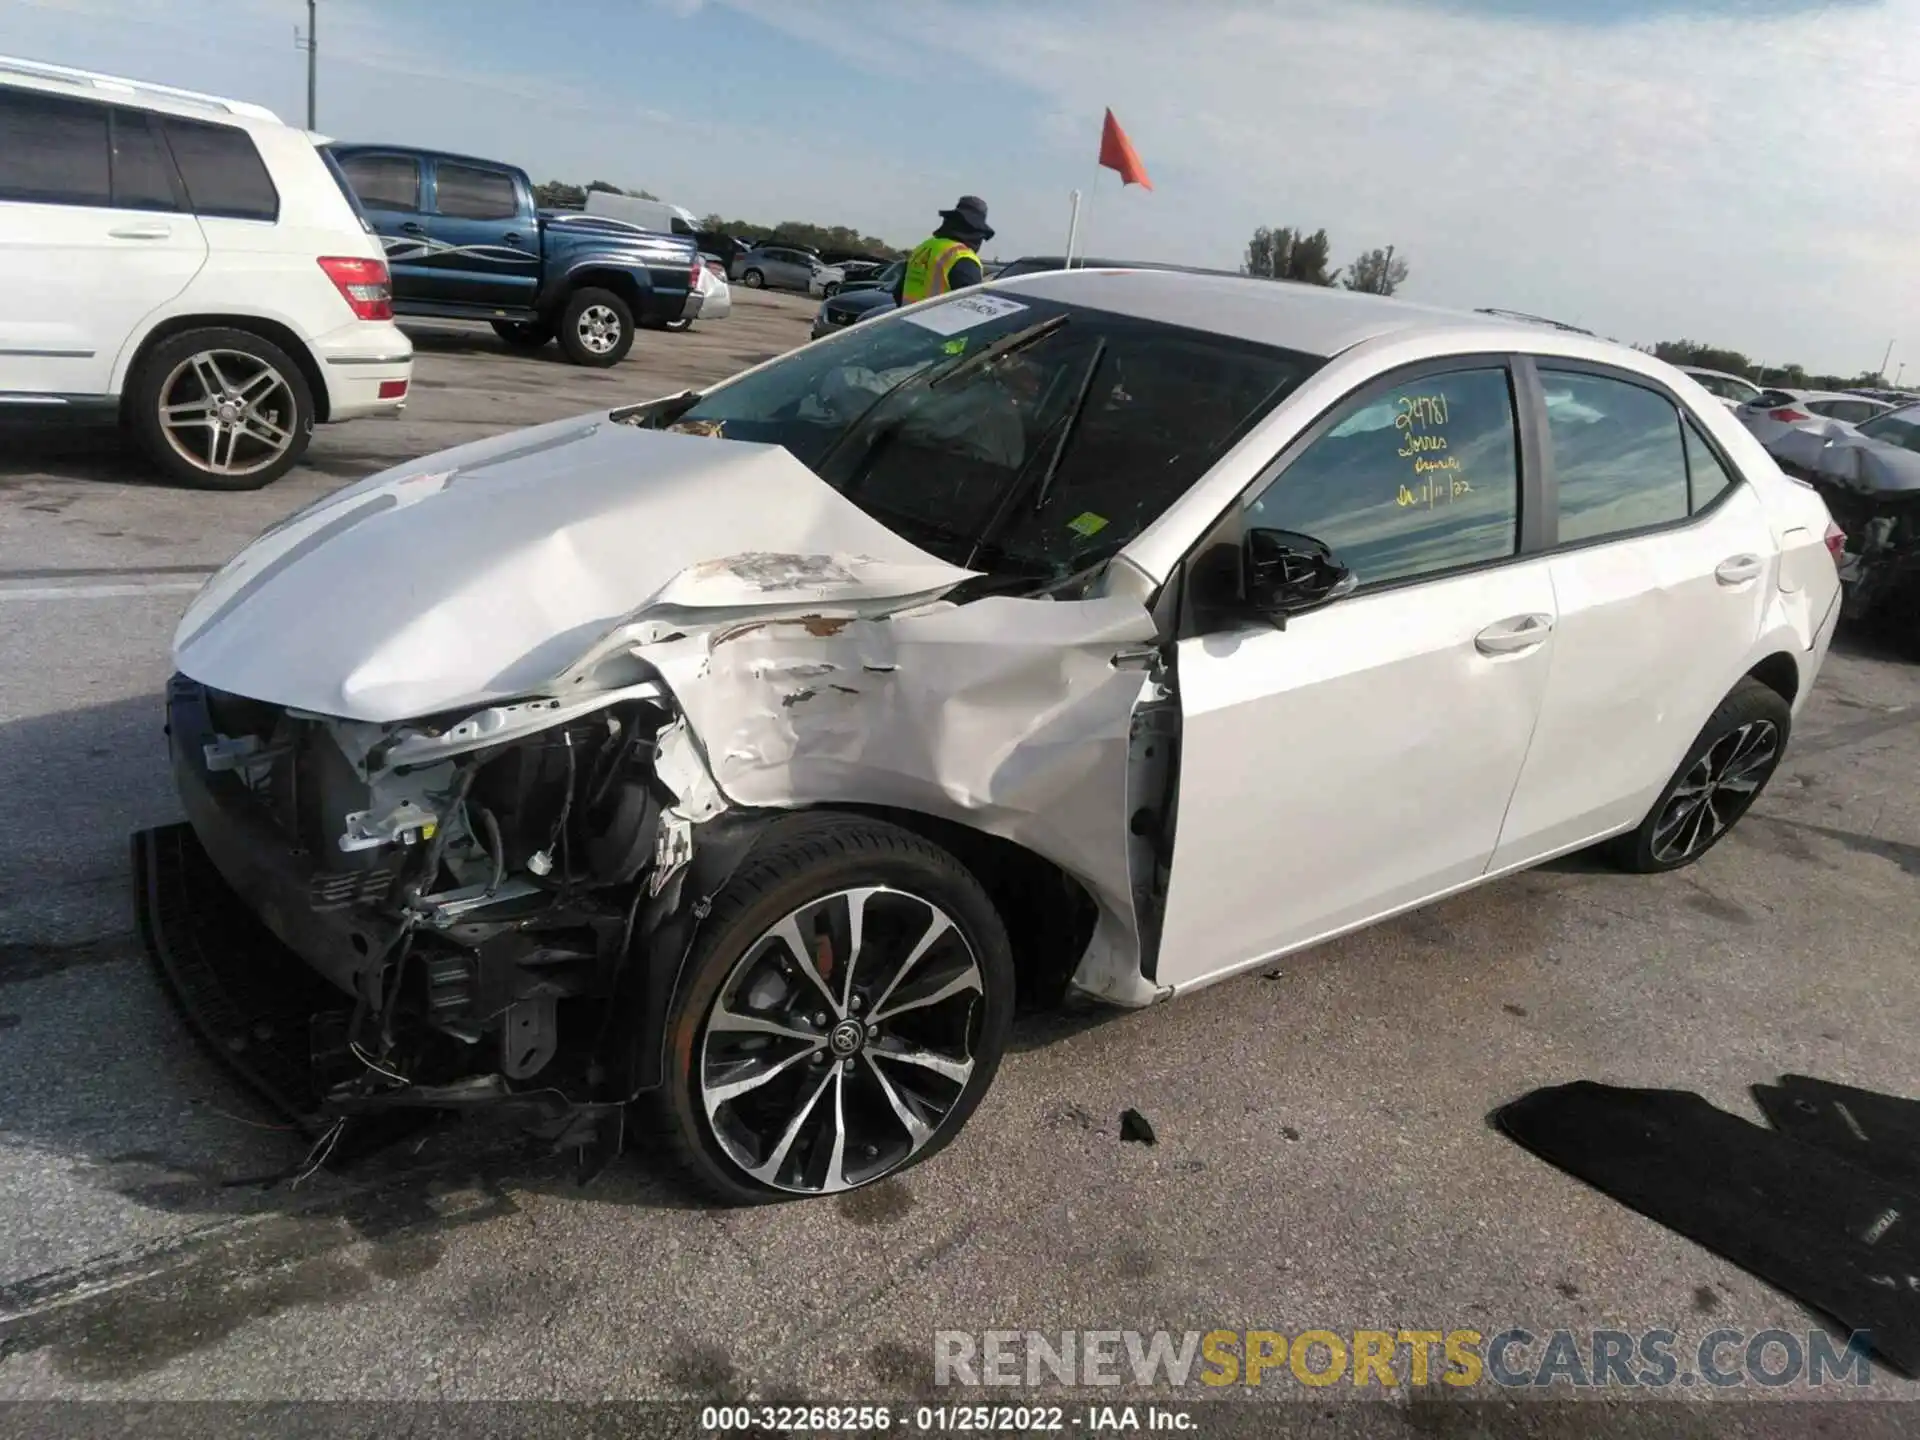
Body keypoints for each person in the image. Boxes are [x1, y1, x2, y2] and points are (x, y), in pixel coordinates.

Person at [893, 196, 994, 307]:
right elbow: (969, 310)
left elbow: (898, 292)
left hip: (905, 322)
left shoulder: (924, 247)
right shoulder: (963, 259)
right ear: (975, 231)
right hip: (936, 323)